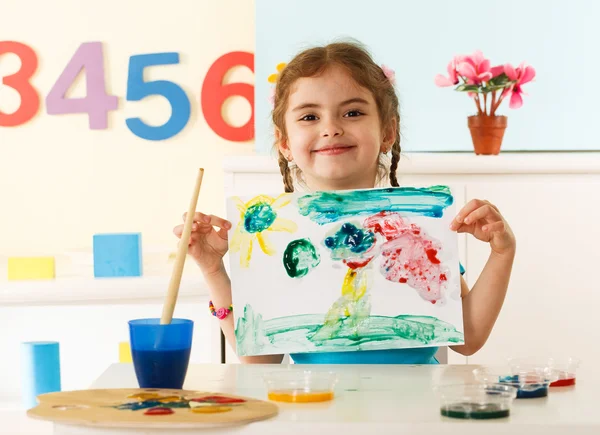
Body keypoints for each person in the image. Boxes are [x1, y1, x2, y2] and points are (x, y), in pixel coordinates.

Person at [173, 41, 516, 364]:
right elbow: (259, 358)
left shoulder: (413, 229)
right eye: (309, 117)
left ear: (388, 132)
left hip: (413, 413)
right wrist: (214, 270)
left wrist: (502, 253)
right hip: (316, 413)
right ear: (285, 143)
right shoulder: (280, 242)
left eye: (352, 112)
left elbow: (468, 337)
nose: (331, 128)